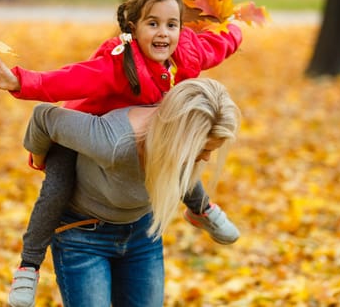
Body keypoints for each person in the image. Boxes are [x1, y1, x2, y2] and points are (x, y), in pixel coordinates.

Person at [0, 0, 242, 307]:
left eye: (171, 25)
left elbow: (219, 45)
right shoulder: (117, 64)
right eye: (153, 24)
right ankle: (28, 266)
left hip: (144, 193)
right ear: (133, 28)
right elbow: (69, 79)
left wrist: (233, 28)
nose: (163, 33)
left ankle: (201, 209)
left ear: (181, 28)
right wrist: (21, 81)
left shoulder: (187, 54)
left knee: (181, 144)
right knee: (57, 188)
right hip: (83, 130)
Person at [25, 78, 240, 306]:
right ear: (180, 138)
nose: (207, 157)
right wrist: (41, 160)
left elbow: (180, 171)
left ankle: (203, 210)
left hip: (142, 234)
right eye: (204, 149)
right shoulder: (113, 141)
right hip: (83, 237)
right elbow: (43, 117)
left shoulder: (176, 140)